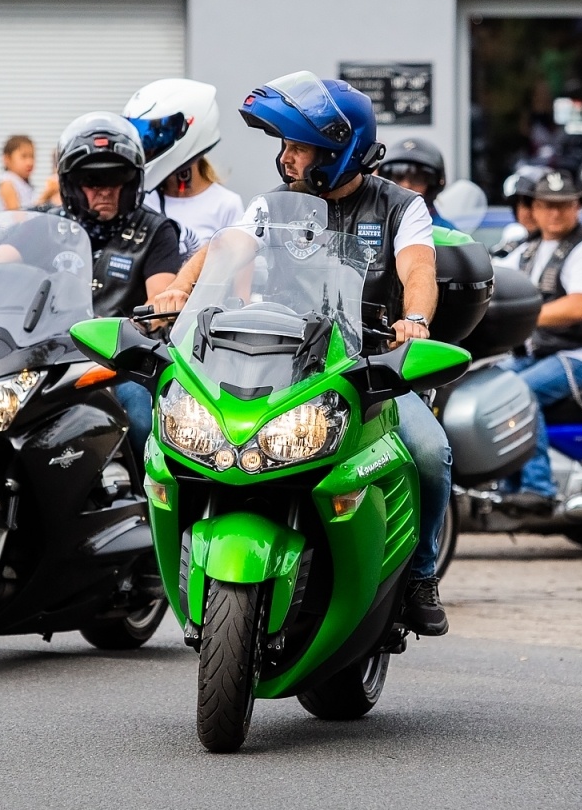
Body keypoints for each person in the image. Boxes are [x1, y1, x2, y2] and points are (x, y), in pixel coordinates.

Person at [149, 72, 451, 638]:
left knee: (431, 452)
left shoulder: (400, 208)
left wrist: (416, 320)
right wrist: (180, 291)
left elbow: (419, 269)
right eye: (284, 146)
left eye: (298, 146)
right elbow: (228, 247)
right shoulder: (274, 205)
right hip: (280, 359)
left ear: (338, 150)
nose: (286, 158)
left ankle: (420, 576)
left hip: (368, 366)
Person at [0, 113, 183, 462]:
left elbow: (160, 300)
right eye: (92, 180)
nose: (104, 189)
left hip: (119, 360)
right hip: (49, 353)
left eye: (115, 178)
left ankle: (153, 501)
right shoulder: (49, 225)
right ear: (73, 184)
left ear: (132, 181)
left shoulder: (155, 230)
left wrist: (145, 322)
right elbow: (2, 254)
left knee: (140, 417)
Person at [496, 169, 582, 516]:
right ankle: (502, 483)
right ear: (533, 207)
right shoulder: (529, 248)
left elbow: (577, 307)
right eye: (546, 205)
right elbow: (494, 283)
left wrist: (518, 317)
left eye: (564, 205)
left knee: (518, 391)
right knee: (484, 386)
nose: (555, 213)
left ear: (578, 206)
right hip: (537, 354)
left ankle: (539, 488)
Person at [124, 78, 243, 255]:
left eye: (158, 132)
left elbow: (239, 270)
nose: (146, 144)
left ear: (186, 127)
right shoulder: (138, 200)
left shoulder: (226, 205)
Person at [378, 137, 453, 228]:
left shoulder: (449, 235)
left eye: (417, 178)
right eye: (398, 177)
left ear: (432, 185)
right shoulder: (373, 226)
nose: (406, 185)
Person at [0, 134, 46, 211]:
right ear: (7, 159)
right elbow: (17, 216)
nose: (29, 162)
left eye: (32, 156)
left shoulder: (23, 182)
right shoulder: (8, 183)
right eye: (24, 156)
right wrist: (45, 196)